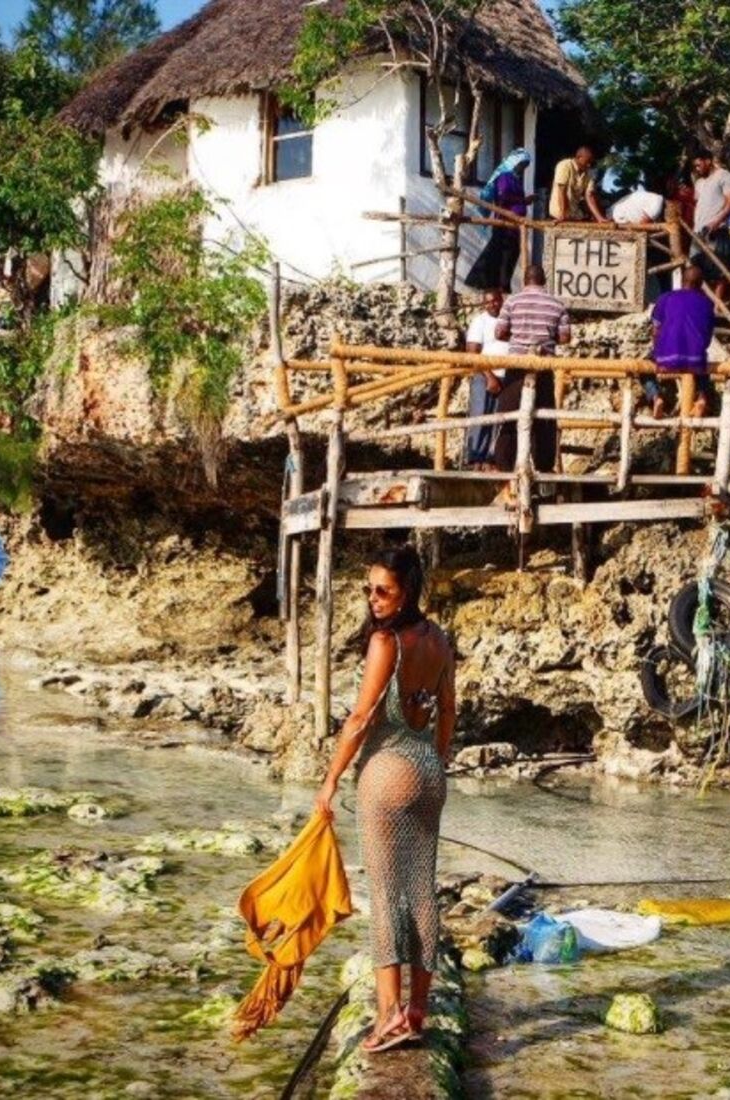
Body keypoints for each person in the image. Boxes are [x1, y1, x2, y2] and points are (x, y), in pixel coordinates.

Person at [314, 545, 456, 1054]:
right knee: (421, 890)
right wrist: (435, 763)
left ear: (407, 592)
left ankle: (389, 1015)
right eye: (369, 590)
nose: (374, 599)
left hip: (387, 773)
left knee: (384, 895)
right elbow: (447, 711)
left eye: (384, 591)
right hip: (427, 773)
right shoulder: (439, 639)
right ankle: (418, 1011)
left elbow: (360, 719)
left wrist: (330, 780)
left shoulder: (386, 643)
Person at [493, 264, 570, 473]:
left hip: (517, 366)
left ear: (524, 281)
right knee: (544, 420)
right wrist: (545, 340)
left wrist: (519, 339)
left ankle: (504, 467)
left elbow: (499, 333)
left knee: (508, 416)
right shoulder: (557, 304)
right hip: (544, 368)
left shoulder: (512, 302)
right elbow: (564, 337)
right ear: (544, 280)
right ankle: (544, 467)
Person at [644, 264, 715, 420]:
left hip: (666, 359)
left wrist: (658, 354)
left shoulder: (665, 299)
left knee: (642, 370)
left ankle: (656, 397)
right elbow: (708, 338)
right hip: (695, 359)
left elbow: (656, 331)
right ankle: (702, 397)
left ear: (682, 281)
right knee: (704, 365)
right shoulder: (708, 304)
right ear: (701, 284)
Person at [465, 148, 533, 291]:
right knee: (502, 256)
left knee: (510, 256)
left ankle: (502, 285)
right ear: (515, 163)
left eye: (525, 166)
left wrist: (525, 201)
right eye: (522, 165)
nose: (523, 169)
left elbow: (515, 200)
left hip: (515, 227)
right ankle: (499, 287)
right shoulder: (505, 177)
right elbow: (503, 196)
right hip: (505, 224)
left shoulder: (515, 179)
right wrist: (523, 200)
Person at [464, 289, 510, 465]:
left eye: (495, 301)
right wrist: (489, 376)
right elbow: (473, 353)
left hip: (507, 377)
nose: (492, 305)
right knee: (480, 416)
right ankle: (476, 459)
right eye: (488, 302)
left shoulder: (508, 320)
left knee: (501, 420)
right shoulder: (480, 321)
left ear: (502, 300)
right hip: (485, 375)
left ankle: (492, 460)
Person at [691, 149, 730, 294]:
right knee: (695, 265)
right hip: (698, 230)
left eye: (699, 165)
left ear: (708, 161)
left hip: (716, 229)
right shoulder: (699, 182)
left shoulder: (724, 175)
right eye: (695, 166)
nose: (697, 168)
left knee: (717, 269)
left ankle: (717, 305)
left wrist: (717, 221)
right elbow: (698, 203)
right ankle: (700, 300)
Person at [549, 145, 610, 223]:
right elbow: (561, 191)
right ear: (579, 157)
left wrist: (599, 218)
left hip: (575, 214)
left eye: (590, 162)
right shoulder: (564, 165)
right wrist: (562, 214)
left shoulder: (588, 173)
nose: (589, 165)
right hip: (559, 213)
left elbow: (589, 196)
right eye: (587, 161)